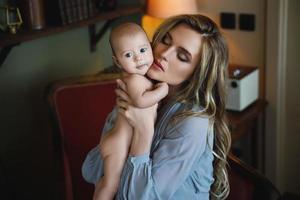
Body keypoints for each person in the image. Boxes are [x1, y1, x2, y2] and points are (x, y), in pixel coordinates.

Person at [82, 14, 231, 200]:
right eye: (165, 41)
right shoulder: (139, 91)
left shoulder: (193, 123)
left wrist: (143, 132)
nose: (164, 54)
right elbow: (91, 171)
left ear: (198, 71)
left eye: (182, 56)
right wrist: (123, 130)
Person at [95, 23, 169, 200]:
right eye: (128, 55)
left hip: (119, 140)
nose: (138, 58)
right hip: (118, 144)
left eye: (143, 50)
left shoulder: (141, 76)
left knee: (106, 183)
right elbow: (140, 101)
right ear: (117, 61)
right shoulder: (134, 79)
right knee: (111, 186)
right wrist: (163, 90)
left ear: (151, 47)